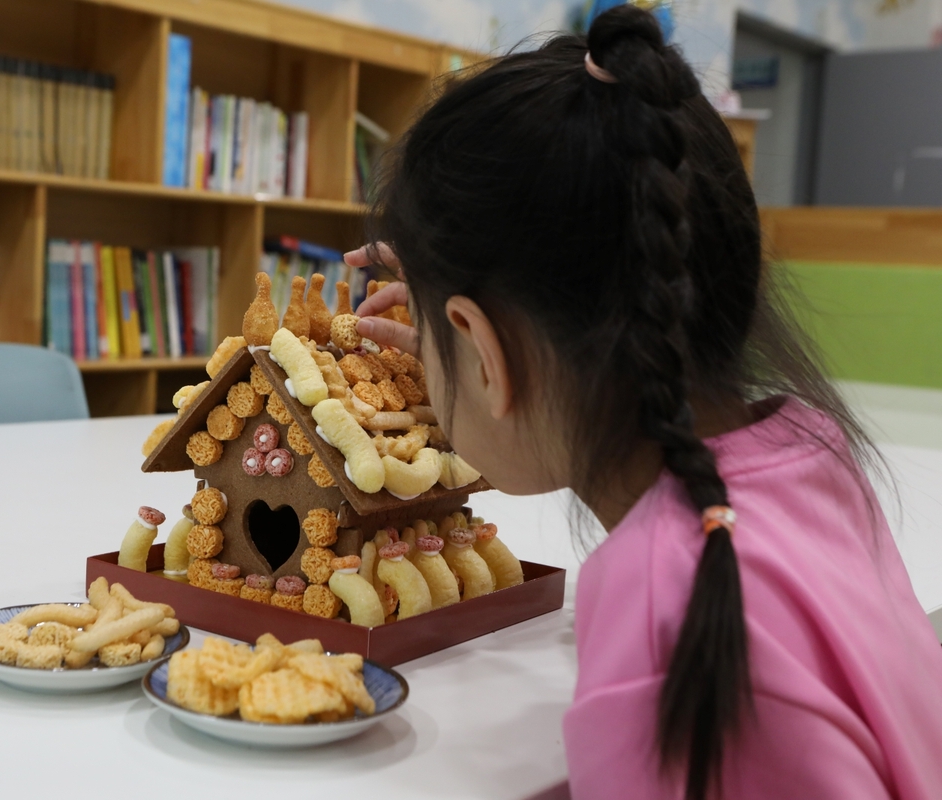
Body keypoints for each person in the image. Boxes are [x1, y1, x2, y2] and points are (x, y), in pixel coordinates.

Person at [343, 5, 942, 799]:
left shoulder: (661, 611)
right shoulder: (812, 447)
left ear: (483, 353)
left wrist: (479, 360)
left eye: (431, 330)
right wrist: (472, 346)